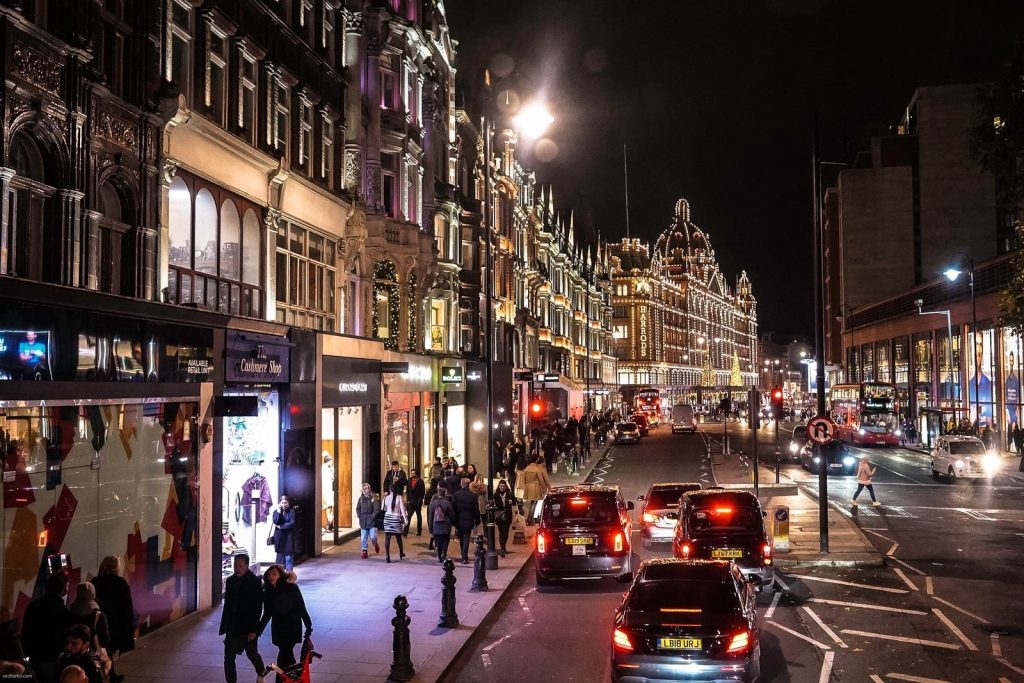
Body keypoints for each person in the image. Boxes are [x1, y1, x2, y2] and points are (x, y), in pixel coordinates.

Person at [258, 564, 312, 674]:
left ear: (281, 575)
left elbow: (301, 607)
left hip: (291, 627)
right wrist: (258, 630)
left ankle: (284, 679)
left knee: (284, 655)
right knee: (287, 657)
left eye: (274, 574)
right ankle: (295, 678)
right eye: (269, 574)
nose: (271, 576)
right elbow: (267, 613)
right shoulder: (268, 592)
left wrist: (308, 625)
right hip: (278, 629)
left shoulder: (292, 588)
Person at [219, 554, 265, 683]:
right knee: (228, 658)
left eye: (240, 566)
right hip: (232, 626)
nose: (237, 568)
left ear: (246, 565)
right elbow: (228, 605)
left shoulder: (255, 582)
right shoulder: (230, 581)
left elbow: (257, 608)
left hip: (247, 626)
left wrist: (254, 629)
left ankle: (261, 671)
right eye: (235, 565)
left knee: (252, 654)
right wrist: (226, 625)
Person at [22, 572, 71, 683]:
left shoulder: (33, 606)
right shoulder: (62, 611)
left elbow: (25, 633)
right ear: (63, 589)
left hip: (33, 658)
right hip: (52, 659)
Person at [91, 557, 133, 683]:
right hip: (116, 623)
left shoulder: (95, 582)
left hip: (99, 622)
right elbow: (127, 606)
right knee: (109, 649)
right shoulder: (120, 583)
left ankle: (110, 674)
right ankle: (108, 674)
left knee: (105, 648)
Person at [67, 583, 110, 680]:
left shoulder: (71, 613)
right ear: (93, 594)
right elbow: (105, 641)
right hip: (93, 658)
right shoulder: (98, 615)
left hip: (74, 656)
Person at [451, 478, 480, 564]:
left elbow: (453, 509)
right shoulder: (473, 495)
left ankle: (463, 553)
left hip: (459, 519)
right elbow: (476, 510)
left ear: (461, 484)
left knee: (461, 537)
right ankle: (464, 556)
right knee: (466, 537)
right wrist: (477, 520)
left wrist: (454, 520)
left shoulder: (456, 495)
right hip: (469, 519)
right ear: (468, 485)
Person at [427, 485, 456, 562]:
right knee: (446, 539)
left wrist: (430, 528)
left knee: (438, 541)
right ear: (445, 494)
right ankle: (444, 553)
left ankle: (439, 554)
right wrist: (453, 523)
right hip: (446, 525)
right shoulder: (447, 503)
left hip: (436, 525)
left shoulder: (433, 504)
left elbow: (430, 517)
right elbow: (451, 514)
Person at [521, 454, 551, 524]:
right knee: (534, 503)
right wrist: (544, 488)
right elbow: (541, 480)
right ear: (536, 460)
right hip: (535, 487)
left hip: (528, 487)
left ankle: (530, 518)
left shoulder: (527, 468)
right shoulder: (537, 469)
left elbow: (524, 480)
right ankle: (530, 519)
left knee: (531, 503)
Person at [382, 483, 408, 563]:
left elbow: (383, 508)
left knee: (387, 538)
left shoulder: (386, 498)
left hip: (387, 519)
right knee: (398, 538)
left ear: (390, 490)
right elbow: (402, 510)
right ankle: (401, 553)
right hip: (396, 519)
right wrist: (405, 519)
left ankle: (387, 556)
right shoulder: (399, 497)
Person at [271, 496, 296, 571]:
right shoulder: (276, 512)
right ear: (279, 503)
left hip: (288, 538)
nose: (284, 504)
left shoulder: (291, 512)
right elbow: (276, 521)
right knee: (279, 560)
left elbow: (291, 523)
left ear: (288, 504)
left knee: (289, 558)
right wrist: (279, 511)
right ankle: (278, 577)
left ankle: (289, 577)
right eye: (282, 503)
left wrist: (281, 527)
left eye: (285, 503)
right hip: (279, 538)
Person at [493, 479, 517, 556]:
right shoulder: (496, 494)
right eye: (501, 486)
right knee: (501, 532)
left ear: (506, 486)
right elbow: (495, 504)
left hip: (507, 514)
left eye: (503, 486)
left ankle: (503, 546)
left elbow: (514, 502)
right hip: (499, 515)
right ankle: (502, 548)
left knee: (506, 532)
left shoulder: (509, 493)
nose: (502, 487)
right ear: (499, 486)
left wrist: (511, 502)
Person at [356, 483, 380, 559]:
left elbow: (376, 510)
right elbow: (358, 508)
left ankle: (375, 544)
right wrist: (360, 516)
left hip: (371, 521)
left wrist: (372, 517)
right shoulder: (361, 499)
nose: (365, 490)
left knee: (373, 537)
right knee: (363, 538)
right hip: (363, 521)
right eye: (364, 488)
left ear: (369, 489)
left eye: (366, 488)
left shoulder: (374, 497)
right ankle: (364, 551)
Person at [405, 469, 426, 536]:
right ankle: (405, 532)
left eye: (413, 473)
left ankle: (419, 531)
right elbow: (408, 491)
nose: (412, 474)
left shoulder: (420, 481)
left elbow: (422, 493)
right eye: (411, 473)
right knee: (408, 517)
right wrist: (408, 500)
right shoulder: (409, 480)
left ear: (416, 474)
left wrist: (419, 501)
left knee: (419, 517)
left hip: (417, 502)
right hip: (411, 502)